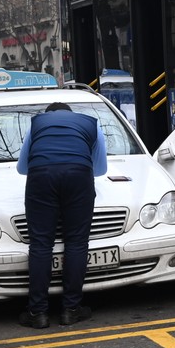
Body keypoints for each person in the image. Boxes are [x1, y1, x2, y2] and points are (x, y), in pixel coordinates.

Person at [16, 101, 108, 329]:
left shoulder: (36, 124)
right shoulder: (90, 124)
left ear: (49, 115)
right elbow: (100, 169)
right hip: (78, 175)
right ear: (71, 114)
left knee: (40, 244)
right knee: (76, 241)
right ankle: (71, 310)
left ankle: (37, 313)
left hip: (42, 176)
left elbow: (22, 168)